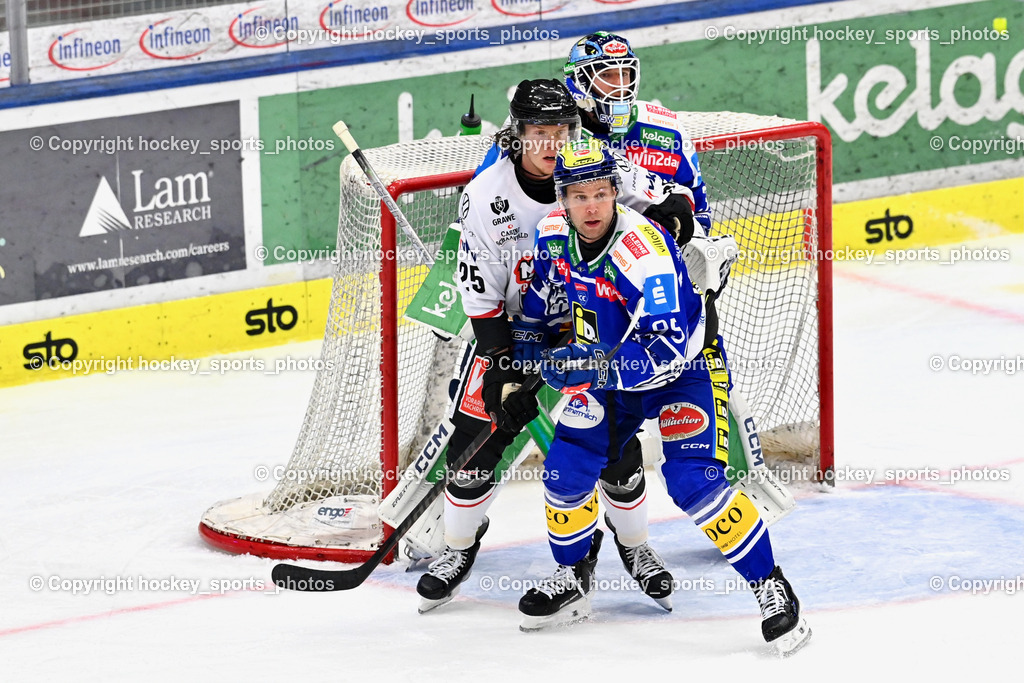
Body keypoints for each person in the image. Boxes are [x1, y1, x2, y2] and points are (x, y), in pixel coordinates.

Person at [515, 139, 811, 656]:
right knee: (565, 469)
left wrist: (588, 367)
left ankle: (771, 587)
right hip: (609, 374)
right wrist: (525, 363)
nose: (591, 206)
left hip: (683, 371)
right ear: (562, 199)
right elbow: (539, 305)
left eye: (600, 193)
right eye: (579, 195)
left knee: (694, 482)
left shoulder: (642, 253)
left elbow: (665, 348)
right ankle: (572, 577)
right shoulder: (552, 236)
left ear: (615, 193)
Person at [416, 79, 695, 614]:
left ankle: (635, 546)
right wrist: (502, 367)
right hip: (518, 327)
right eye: (539, 133)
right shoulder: (486, 195)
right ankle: (458, 547)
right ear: (517, 135)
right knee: (476, 440)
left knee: (613, 444)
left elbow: (670, 199)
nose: (552, 143)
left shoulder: (596, 165)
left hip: (593, 322)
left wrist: (672, 215)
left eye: (562, 131)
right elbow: (480, 294)